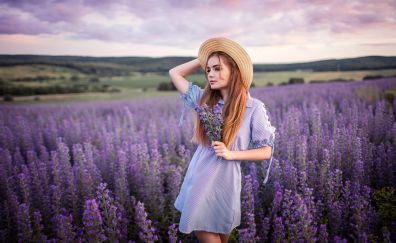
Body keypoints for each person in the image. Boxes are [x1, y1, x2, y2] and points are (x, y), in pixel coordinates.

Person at [169, 37, 276, 243]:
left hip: (227, 181)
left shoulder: (254, 107)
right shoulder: (204, 100)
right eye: (208, 70)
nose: (210, 74)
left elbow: (266, 151)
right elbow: (175, 73)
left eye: (217, 68)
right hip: (201, 175)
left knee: (222, 236)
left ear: (235, 70)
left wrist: (231, 153)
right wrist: (204, 59)